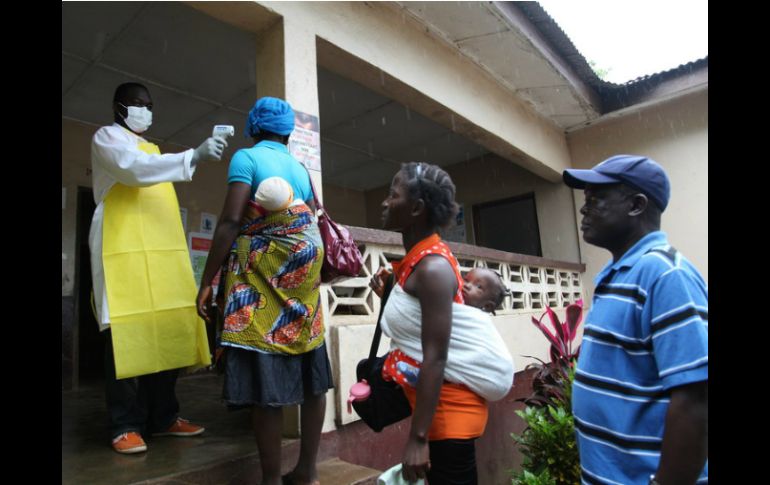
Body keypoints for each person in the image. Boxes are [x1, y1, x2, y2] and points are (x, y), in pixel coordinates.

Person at [195, 97, 332, 485]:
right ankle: (307, 470)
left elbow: (231, 220)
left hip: (266, 271)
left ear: (253, 127)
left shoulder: (247, 158)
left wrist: (207, 281)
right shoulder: (300, 168)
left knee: (263, 367)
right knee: (311, 369)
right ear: (287, 132)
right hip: (305, 270)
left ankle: (271, 479)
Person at [90, 82, 227, 454]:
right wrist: (192, 156)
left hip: (160, 256)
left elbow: (149, 167)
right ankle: (124, 425)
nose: (144, 110)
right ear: (118, 106)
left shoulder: (153, 150)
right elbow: (131, 169)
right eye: (136, 103)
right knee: (126, 337)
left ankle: (164, 417)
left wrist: (187, 159)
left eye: (148, 104)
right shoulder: (107, 138)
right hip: (123, 254)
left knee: (164, 331)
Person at [563, 154, 708, 484]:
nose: (584, 209)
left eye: (596, 198)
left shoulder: (666, 275)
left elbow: (696, 402)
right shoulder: (616, 275)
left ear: (636, 205)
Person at [370, 161, 489, 484]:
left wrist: (418, 438)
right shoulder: (418, 261)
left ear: (416, 208)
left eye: (393, 195)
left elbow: (436, 355)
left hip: (449, 418)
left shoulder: (432, 269)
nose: (385, 202)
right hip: (435, 414)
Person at [371, 266, 513, 400]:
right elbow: (416, 314)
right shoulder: (447, 302)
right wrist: (392, 287)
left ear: (487, 306)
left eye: (479, 286)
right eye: (466, 279)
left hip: (450, 386)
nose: (467, 285)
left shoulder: (477, 321)